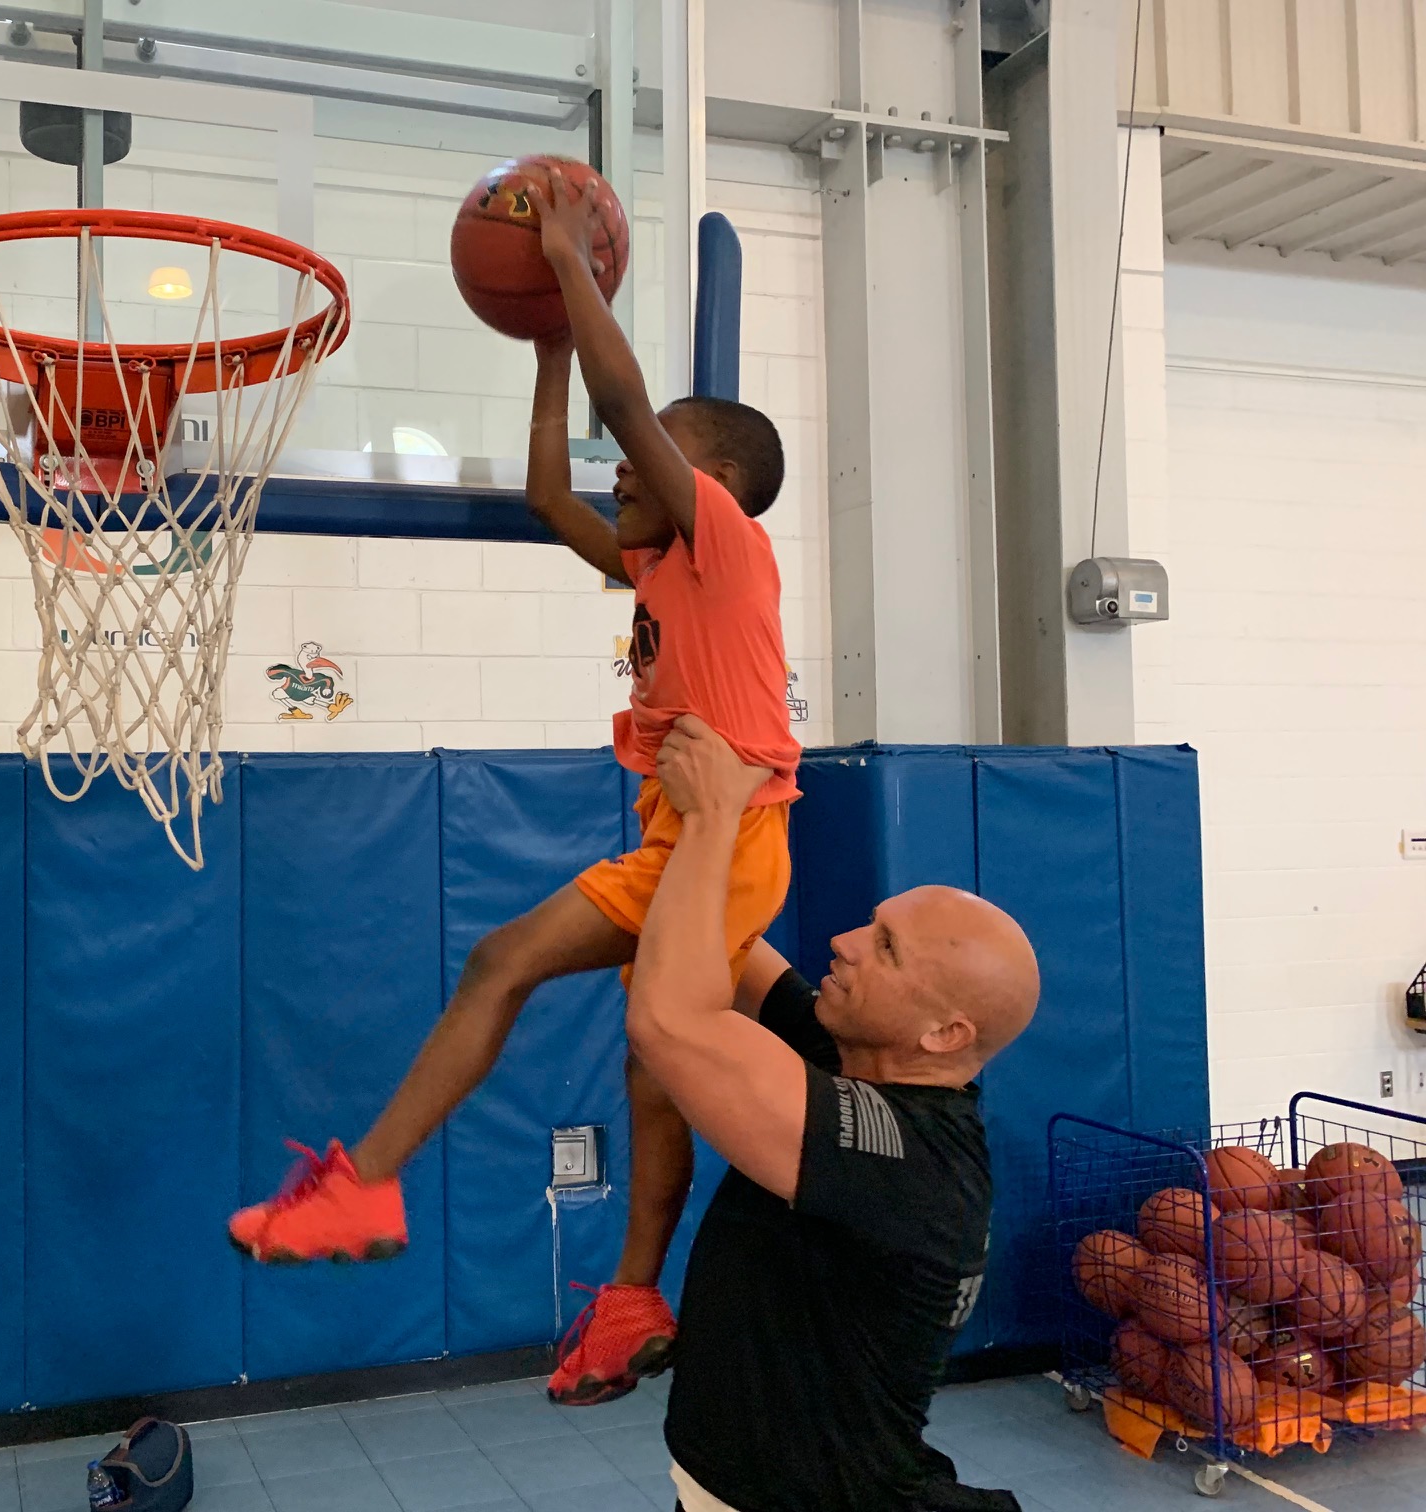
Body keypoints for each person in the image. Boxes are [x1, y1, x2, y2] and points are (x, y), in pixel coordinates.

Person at [227, 168, 803, 1406]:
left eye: (647, 466)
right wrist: (545, 340)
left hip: (730, 839)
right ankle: (639, 1296)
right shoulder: (658, 569)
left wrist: (574, 274)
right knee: (657, 1071)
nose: (620, 475)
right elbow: (549, 490)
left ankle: (364, 1184)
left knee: (502, 962)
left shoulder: (727, 549)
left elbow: (628, 401)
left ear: (712, 487)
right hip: (707, 840)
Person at [629, 714, 1040, 1512]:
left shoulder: (907, 1158)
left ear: (945, 1033)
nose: (847, 941)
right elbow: (727, 945)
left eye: (885, 947)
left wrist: (714, 817)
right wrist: (689, 813)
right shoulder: (850, 1052)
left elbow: (669, 1020)